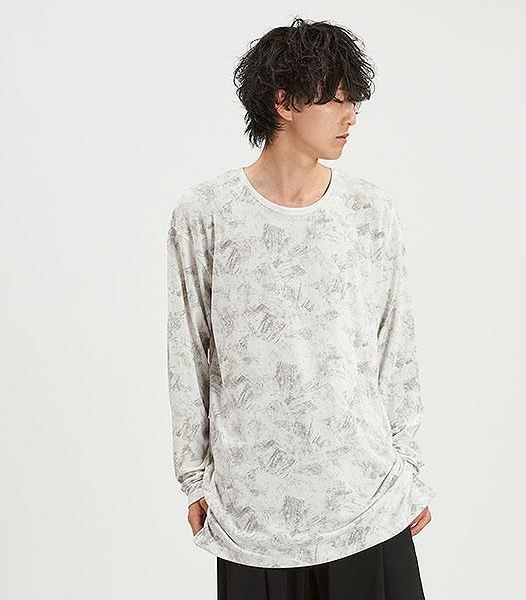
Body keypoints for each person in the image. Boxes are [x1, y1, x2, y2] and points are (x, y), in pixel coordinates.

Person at [166, 16, 437, 599]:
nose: (351, 115)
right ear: (284, 102)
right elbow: (188, 349)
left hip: (366, 500)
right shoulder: (206, 213)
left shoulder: (367, 211)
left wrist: (409, 469)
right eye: (335, 99)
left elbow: (396, 343)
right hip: (253, 515)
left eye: (353, 99)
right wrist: (193, 476)